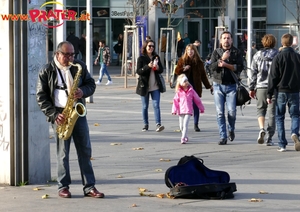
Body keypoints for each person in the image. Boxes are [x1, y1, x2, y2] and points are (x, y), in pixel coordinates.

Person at [36, 41, 104, 198]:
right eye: (67, 55)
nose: (70, 58)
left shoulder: (78, 66)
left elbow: (90, 84)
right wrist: (53, 114)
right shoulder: (46, 70)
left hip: (77, 111)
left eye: (73, 54)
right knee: (63, 153)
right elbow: (41, 97)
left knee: (85, 151)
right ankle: (63, 186)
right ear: (57, 54)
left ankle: (89, 187)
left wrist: (83, 91)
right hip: (60, 114)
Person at [209, 31, 244, 145]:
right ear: (220, 40)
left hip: (231, 85)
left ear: (232, 40)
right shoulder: (216, 52)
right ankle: (223, 136)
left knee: (232, 112)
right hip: (218, 85)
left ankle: (231, 129)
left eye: (228, 38)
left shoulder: (236, 52)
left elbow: (239, 67)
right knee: (219, 113)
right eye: (224, 38)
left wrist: (225, 64)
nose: (226, 40)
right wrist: (221, 60)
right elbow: (211, 68)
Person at [267, 33, 300, 152]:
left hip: (281, 91)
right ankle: (295, 133)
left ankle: (282, 144)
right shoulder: (297, 57)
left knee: (280, 117)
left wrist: (269, 93)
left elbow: (273, 77)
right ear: (292, 43)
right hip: (295, 91)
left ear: (282, 42)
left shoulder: (278, 57)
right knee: (295, 115)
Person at [248, 34, 279, 146]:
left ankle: (261, 129)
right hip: (274, 87)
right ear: (274, 42)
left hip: (260, 86)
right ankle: (270, 138)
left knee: (260, 109)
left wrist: (251, 87)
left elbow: (253, 72)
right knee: (272, 113)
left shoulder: (257, 55)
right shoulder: (277, 54)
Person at [175, 44, 213, 132]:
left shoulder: (199, 62)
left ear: (195, 51)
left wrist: (209, 86)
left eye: (191, 50)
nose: (190, 52)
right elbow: (177, 71)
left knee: (196, 105)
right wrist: (183, 69)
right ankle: (182, 124)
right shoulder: (183, 60)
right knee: (184, 105)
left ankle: (196, 124)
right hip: (184, 87)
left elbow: (203, 76)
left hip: (195, 86)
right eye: (188, 50)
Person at [136, 39, 165, 132]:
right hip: (144, 86)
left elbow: (161, 70)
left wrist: (157, 68)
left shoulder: (156, 57)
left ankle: (158, 124)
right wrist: (147, 66)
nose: (151, 48)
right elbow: (139, 71)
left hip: (155, 86)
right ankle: (145, 124)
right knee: (145, 106)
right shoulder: (141, 58)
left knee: (156, 105)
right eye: (149, 46)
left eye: (153, 46)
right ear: (145, 47)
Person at [172, 74, 205, 144]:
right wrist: (174, 110)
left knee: (185, 125)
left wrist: (201, 108)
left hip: (188, 110)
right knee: (181, 126)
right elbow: (175, 101)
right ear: (181, 83)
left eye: (187, 80)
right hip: (180, 111)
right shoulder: (179, 92)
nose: (186, 82)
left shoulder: (191, 90)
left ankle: (183, 138)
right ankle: (185, 135)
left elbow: (197, 100)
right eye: (184, 81)